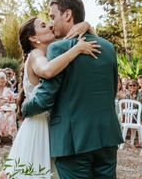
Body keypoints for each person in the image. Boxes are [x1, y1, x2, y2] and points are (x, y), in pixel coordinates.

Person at [21, 0, 123, 178]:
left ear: (67, 15)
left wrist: (24, 108)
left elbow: (44, 98)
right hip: (107, 136)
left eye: (52, 17)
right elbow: (113, 89)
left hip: (73, 140)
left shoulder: (58, 49)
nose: (51, 23)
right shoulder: (109, 48)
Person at [5, 16, 100, 177]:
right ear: (34, 38)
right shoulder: (36, 54)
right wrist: (77, 49)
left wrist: (86, 24)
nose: (50, 25)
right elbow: (47, 71)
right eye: (43, 25)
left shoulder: (51, 52)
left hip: (49, 124)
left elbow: (70, 32)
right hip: (39, 126)